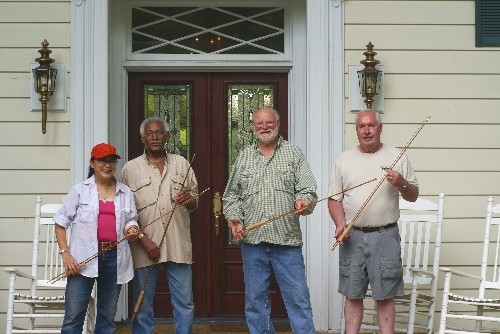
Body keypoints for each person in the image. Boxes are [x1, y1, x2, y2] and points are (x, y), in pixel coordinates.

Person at [223, 107, 317, 334]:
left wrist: (303, 201)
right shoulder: (244, 156)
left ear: (278, 124)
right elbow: (231, 196)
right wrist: (235, 219)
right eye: (259, 123)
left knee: (298, 299)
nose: (264, 127)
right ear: (253, 127)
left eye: (269, 122)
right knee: (255, 302)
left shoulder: (294, 154)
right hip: (252, 242)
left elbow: (309, 190)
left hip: (287, 243)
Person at [328, 109, 419, 334]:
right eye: (362, 126)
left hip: (386, 235)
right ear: (356, 130)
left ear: (380, 128)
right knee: (352, 293)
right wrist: (340, 224)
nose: (366, 131)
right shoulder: (343, 160)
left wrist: (402, 183)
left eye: (371, 126)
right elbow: (334, 199)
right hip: (353, 235)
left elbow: (413, 195)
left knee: (385, 295)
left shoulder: (398, 156)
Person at [120, 117, 198, 334]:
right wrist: (144, 240)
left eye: (159, 133)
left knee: (184, 303)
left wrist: (188, 199)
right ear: (142, 138)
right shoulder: (129, 169)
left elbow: (195, 201)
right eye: (150, 133)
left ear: (167, 137)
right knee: (143, 304)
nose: (155, 137)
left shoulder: (182, 163)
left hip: (177, 244)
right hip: (144, 247)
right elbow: (124, 213)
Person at [54, 143, 139, 334]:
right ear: (92, 163)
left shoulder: (125, 192)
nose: (107, 165)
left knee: (107, 318)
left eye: (111, 161)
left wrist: (132, 228)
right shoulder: (80, 190)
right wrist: (66, 254)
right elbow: (60, 223)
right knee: (73, 317)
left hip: (114, 259)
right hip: (82, 260)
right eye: (102, 161)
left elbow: (130, 219)